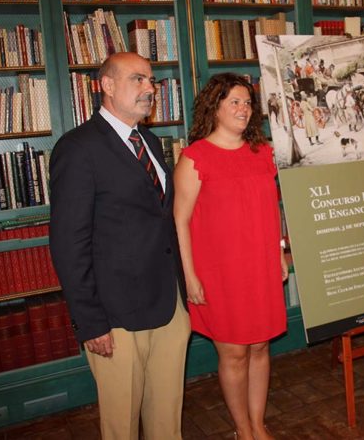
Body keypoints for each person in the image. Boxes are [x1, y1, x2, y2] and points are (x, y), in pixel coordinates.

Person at [49, 52, 190, 440]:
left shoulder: (149, 140)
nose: (150, 88)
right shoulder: (78, 149)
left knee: (167, 420)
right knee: (121, 426)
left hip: (167, 306)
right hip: (116, 317)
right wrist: (91, 320)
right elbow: (68, 242)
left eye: (151, 80)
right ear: (107, 86)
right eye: (138, 79)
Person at [174, 73, 288, 440]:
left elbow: (276, 211)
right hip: (219, 272)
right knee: (234, 353)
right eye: (234, 102)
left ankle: (258, 423)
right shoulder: (194, 157)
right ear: (215, 107)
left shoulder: (264, 153)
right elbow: (180, 220)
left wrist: (282, 253)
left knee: (259, 347)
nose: (243, 109)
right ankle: (242, 429)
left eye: (247, 102)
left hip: (261, 265)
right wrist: (190, 276)